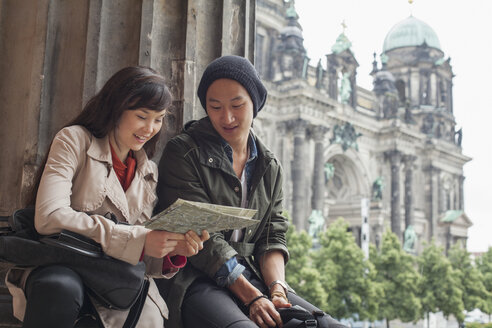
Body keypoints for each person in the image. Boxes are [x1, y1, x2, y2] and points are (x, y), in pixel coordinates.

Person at [5, 66, 209, 328]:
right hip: (62, 262)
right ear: (116, 108)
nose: (150, 128)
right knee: (59, 287)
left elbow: (137, 250)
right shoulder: (74, 141)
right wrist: (140, 239)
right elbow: (49, 217)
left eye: (158, 119)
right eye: (141, 116)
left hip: (114, 282)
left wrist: (170, 250)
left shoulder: (148, 172)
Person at [155, 56, 347, 328]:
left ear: (255, 104)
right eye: (215, 106)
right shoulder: (184, 152)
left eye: (237, 105)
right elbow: (203, 239)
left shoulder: (270, 166)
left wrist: (278, 289)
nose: (227, 117)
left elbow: (272, 236)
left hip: (253, 275)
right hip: (194, 277)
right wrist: (253, 297)